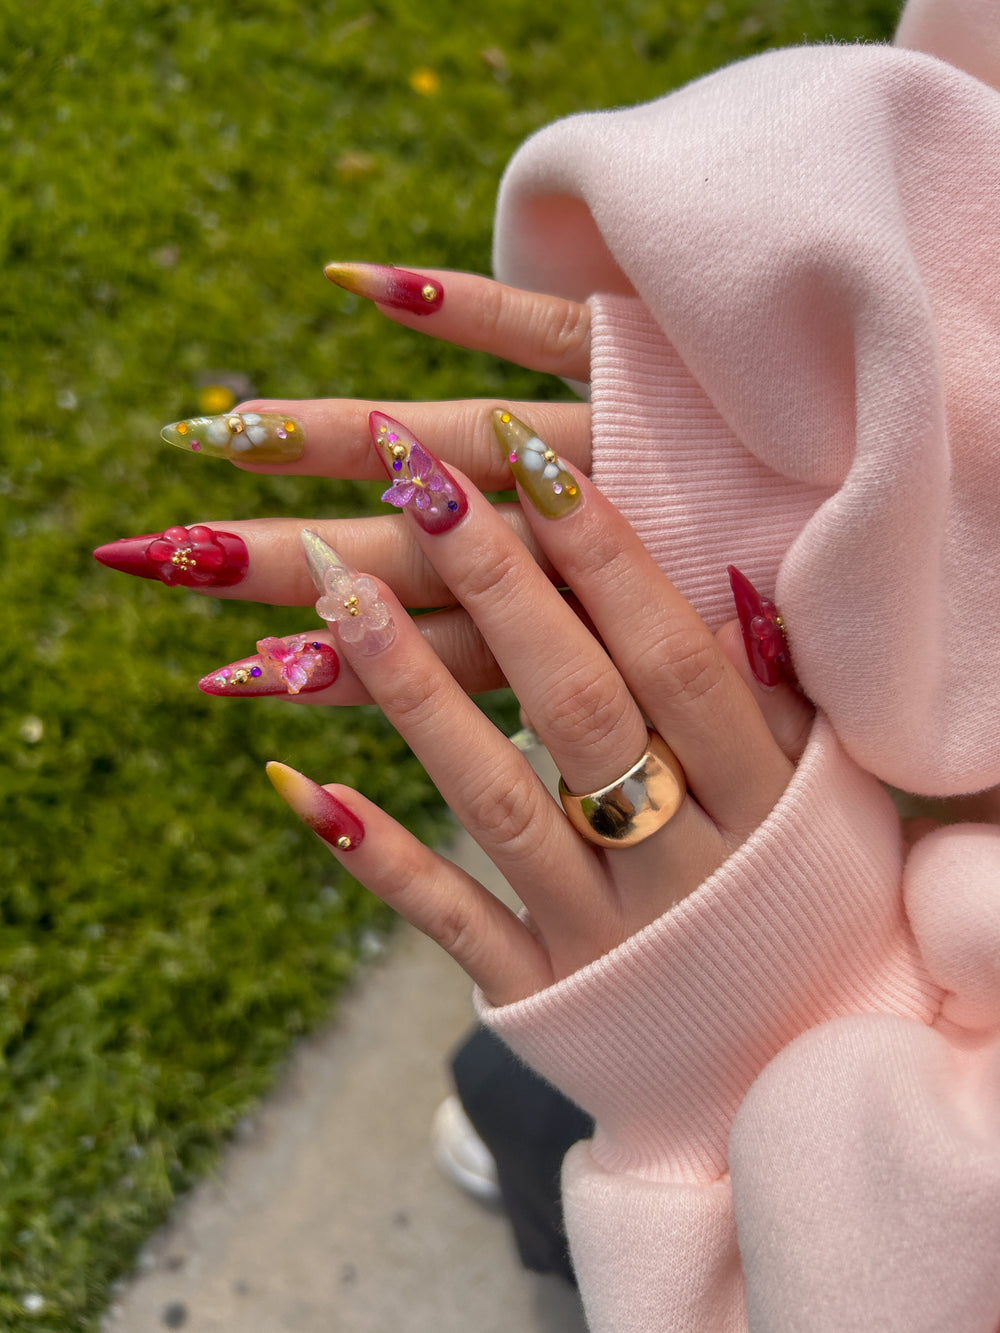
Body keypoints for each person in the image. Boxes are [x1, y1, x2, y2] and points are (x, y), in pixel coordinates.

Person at [93, 0, 1000, 1326]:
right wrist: (894, 492)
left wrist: (798, 1019)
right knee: (531, 1069)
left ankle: (554, 1171)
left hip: (844, 1116)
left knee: (557, 1074)